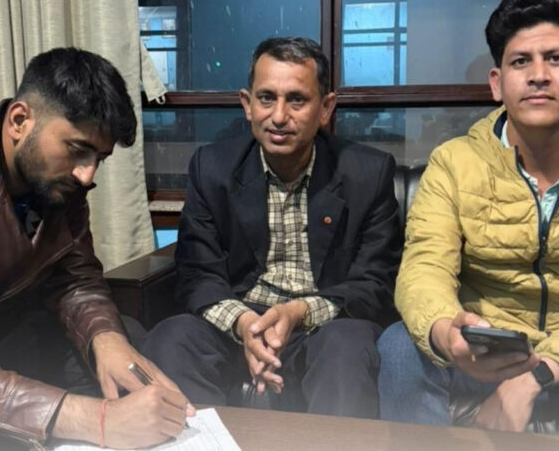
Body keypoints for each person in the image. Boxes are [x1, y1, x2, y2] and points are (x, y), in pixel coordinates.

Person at [378, 0, 559, 441]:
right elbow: (424, 268)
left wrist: (537, 374)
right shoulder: (454, 163)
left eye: (556, 58)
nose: (538, 75)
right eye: (521, 61)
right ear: (497, 83)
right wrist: (448, 334)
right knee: (399, 346)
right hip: (481, 351)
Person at [0, 47, 194, 451]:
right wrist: (95, 420)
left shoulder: (59, 182)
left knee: (128, 350)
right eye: (77, 149)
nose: (87, 174)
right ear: (20, 120)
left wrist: (106, 337)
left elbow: (76, 277)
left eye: (99, 158)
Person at [141, 37, 402, 419]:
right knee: (171, 338)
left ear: (325, 108)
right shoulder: (212, 168)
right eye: (266, 98)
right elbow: (197, 273)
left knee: (346, 346)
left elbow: (375, 283)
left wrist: (299, 312)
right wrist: (245, 324)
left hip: (324, 322)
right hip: (239, 318)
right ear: (247, 104)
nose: (279, 116)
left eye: (296, 100)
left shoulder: (367, 173)